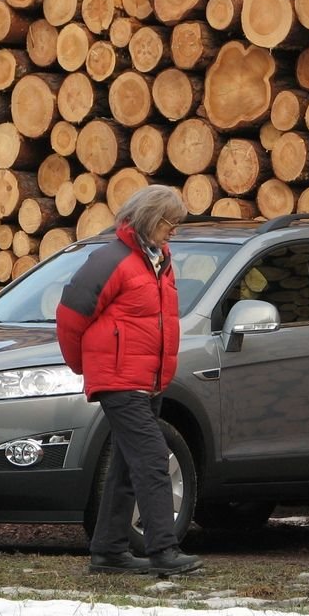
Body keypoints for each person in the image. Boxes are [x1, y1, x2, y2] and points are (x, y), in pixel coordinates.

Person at [57, 185, 203, 577]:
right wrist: (85, 367)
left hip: (148, 380)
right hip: (120, 381)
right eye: (170, 223)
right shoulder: (111, 259)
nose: (174, 230)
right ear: (150, 218)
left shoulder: (161, 259)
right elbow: (71, 316)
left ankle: (109, 551)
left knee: (126, 464)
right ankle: (164, 550)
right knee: (154, 459)